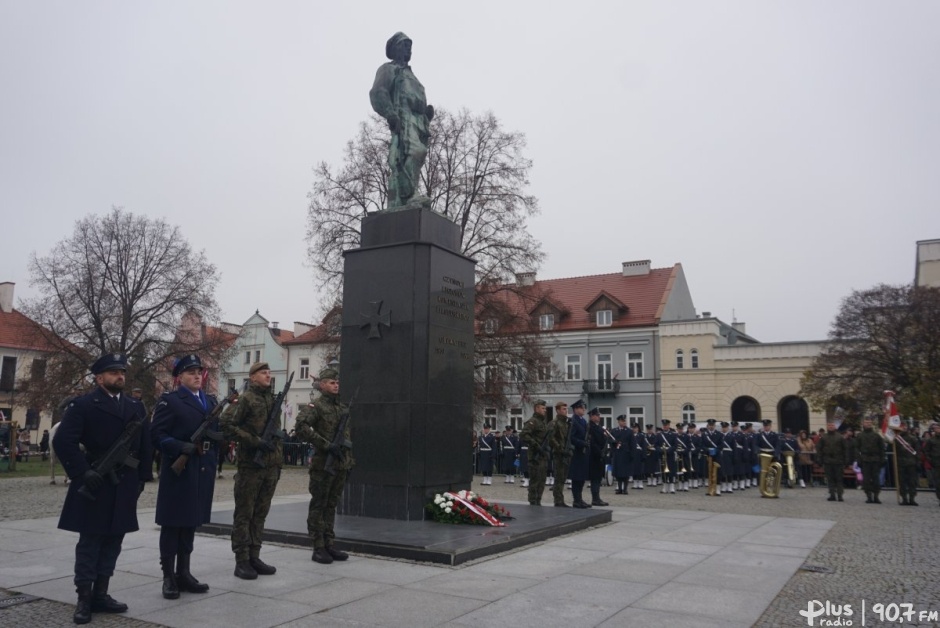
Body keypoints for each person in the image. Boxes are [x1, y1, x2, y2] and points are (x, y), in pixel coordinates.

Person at [52, 353, 152, 624]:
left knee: (114, 540)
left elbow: (144, 445)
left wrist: (142, 478)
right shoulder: (83, 405)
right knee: (90, 542)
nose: (120, 376)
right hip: (95, 483)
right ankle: (84, 598)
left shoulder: (135, 406)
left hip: (124, 484)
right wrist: (83, 472)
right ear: (99, 378)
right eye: (113, 372)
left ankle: (102, 594)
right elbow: (64, 442)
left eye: (122, 372)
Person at [151, 355, 219, 599]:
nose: (197, 376)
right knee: (173, 525)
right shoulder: (170, 401)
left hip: (201, 469)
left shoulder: (210, 402)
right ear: (180, 377)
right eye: (191, 373)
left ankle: (184, 573)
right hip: (179, 471)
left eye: (199, 372)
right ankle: (168, 576)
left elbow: (216, 433)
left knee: (190, 523)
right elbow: (157, 434)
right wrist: (180, 447)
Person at [220, 362, 282, 580]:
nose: (268, 375)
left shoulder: (271, 399)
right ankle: (242, 560)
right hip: (250, 466)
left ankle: (255, 555)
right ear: (253, 377)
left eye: (269, 372)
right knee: (245, 513)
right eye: (263, 373)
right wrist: (254, 441)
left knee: (260, 513)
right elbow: (226, 424)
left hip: (270, 465)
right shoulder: (245, 398)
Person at [294, 367, 353, 564]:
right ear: (322, 385)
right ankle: (318, 546)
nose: (336, 385)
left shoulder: (342, 407)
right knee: (319, 505)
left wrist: (348, 460)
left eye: (337, 382)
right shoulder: (316, 406)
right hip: (323, 464)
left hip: (340, 464)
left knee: (331, 505)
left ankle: (329, 543)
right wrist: (325, 445)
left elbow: (347, 436)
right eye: (331, 382)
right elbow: (301, 427)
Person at [370, 32, 434, 210]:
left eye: (410, 45)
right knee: (411, 152)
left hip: (419, 123)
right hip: (403, 117)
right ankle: (407, 196)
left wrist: (426, 115)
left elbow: (416, 98)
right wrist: (390, 113)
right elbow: (378, 92)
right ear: (395, 48)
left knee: (416, 156)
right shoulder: (389, 69)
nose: (408, 48)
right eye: (404, 44)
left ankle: (406, 196)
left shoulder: (412, 75)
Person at [519, 400, 550, 506]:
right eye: (543, 408)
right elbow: (524, 435)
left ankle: (538, 500)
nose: (545, 410)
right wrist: (536, 445)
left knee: (542, 481)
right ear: (537, 408)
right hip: (535, 456)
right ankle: (533, 501)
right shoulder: (533, 421)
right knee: (535, 480)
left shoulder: (542, 422)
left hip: (542, 456)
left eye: (545, 408)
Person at [854, 417, 886, 504]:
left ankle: (876, 496)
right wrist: (859, 459)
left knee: (876, 479)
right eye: (866, 422)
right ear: (863, 424)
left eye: (869, 422)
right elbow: (856, 449)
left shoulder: (876, 435)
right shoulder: (860, 436)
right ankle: (868, 496)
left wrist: (883, 459)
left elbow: (882, 448)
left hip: (875, 459)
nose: (868, 424)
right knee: (866, 479)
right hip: (865, 460)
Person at [817, 421, 849, 502]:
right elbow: (819, 449)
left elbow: (845, 449)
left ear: (835, 427)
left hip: (838, 460)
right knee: (830, 479)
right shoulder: (824, 437)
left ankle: (840, 495)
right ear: (827, 427)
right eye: (829, 425)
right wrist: (819, 460)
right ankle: (832, 494)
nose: (831, 427)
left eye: (832, 425)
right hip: (828, 461)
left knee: (839, 479)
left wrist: (846, 461)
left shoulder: (840, 437)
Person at [548, 401, 572, 507]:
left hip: (566, 453)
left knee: (563, 477)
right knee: (559, 477)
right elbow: (550, 438)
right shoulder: (554, 422)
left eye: (566, 409)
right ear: (557, 410)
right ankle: (558, 500)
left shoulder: (566, 423)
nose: (565, 411)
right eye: (563, 409)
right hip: (558, 453)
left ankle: (560, 499)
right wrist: (559, 447)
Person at [568, 400, 591, 508]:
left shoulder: (583, 421)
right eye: (582, 408)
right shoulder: (573, 421)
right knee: (576, 478)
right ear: (576, 409)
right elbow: (571, 438)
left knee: (581, 478)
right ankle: (576, 500)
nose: (584, 409)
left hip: (583, 453)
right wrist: (582, 443)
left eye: (584, 407)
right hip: (576, 452)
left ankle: (580, 499)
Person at [893, 422, 920, 506]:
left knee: (912, 482)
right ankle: (904, 498)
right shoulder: (897, 440)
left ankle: (912, 498)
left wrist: (918, 462)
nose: (904, 428)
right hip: (901, 463)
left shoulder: (913, 439)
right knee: (902, 481)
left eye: (905, 427)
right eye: (902, 427)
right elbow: (894, 452)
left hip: (911, 463)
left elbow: (917, 452)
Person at [587, 409, 608, 506]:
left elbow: (603, 440)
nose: (598, 417)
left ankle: (597, 498)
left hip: (600, 455)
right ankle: (595, 498)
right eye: (596, 415)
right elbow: (592, 442)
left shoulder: (599, 427)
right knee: (595, 478)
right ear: (591, 416)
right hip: (594, 456)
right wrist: (599, 452)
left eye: (599, 415)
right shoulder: (590, 427)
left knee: (598, 478)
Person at [610, 415, 633, 495]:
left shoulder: (629, 431)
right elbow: (611, 441)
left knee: (625, 473)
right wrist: (614, 444)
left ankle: (625, 489)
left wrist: (632, 454)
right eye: (622, 421)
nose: (624, 422)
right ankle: (619, 488)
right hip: (617, 453)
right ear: (619, 422)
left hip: (626, 453)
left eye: (624, 421)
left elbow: (632, 443)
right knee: (618, 472)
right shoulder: (614, 431)